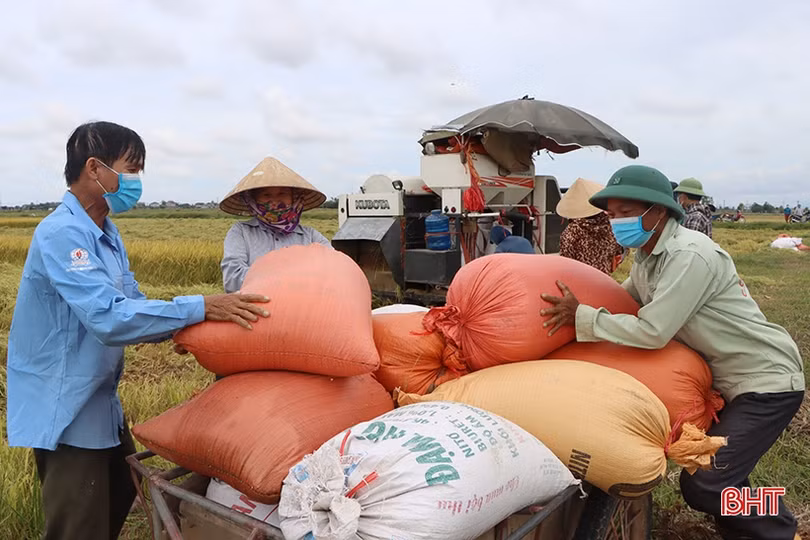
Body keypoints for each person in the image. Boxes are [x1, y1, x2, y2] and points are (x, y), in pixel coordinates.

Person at [6, 122, 270, 540]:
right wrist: (199, 306)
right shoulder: (62, 233)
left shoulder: (108, 235)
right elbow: (109, 318)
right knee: (79, 526)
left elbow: (133, 300)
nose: (136, 181)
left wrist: (186, 330)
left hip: (100, 402)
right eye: (131, 169)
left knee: (117, 498)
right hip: (67, 406)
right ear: (95, 169)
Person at [539, 165, 805, 540]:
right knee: (725, 475)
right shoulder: (649, 256)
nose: (617, 222)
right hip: (732, 382)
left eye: (626, 212)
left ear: (658, 211)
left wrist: (583, 317)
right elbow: (623, 299)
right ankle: (751, 531)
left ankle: (779, 526)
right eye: (612, 214)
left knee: (707, 484)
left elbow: (652, 331)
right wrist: (577, 308)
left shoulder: (689, 256)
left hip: (766, 383)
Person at [219, 157, 331, 294]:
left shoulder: (311, 237)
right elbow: (232, 279)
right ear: (253, 200)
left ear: (294, 198)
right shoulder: (241, 232)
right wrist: (290, 279)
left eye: (282, 193)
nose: (275, 201)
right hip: (255, 310)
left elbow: (333, 267)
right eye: (266, 195)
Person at [556, 177, 625, 275]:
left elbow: (566, 263)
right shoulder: (611, 227)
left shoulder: (572, 231)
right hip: (605, 279)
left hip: (582, 281)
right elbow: (619, 252)